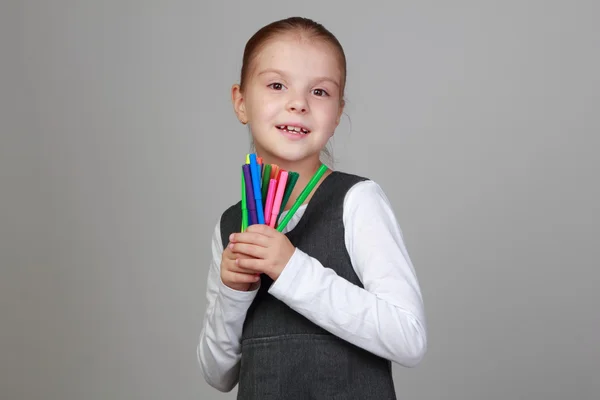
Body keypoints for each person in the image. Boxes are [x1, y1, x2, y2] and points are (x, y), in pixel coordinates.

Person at [197, 16, 427, 399]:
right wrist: (233, 292)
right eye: (276, 85)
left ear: (337, 113)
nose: (298, 103)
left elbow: (409, 337)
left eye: (319, 92)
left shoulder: (357, 200)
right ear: (241, 102)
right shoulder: (230, 226)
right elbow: (218, 374)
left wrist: (290, 269)